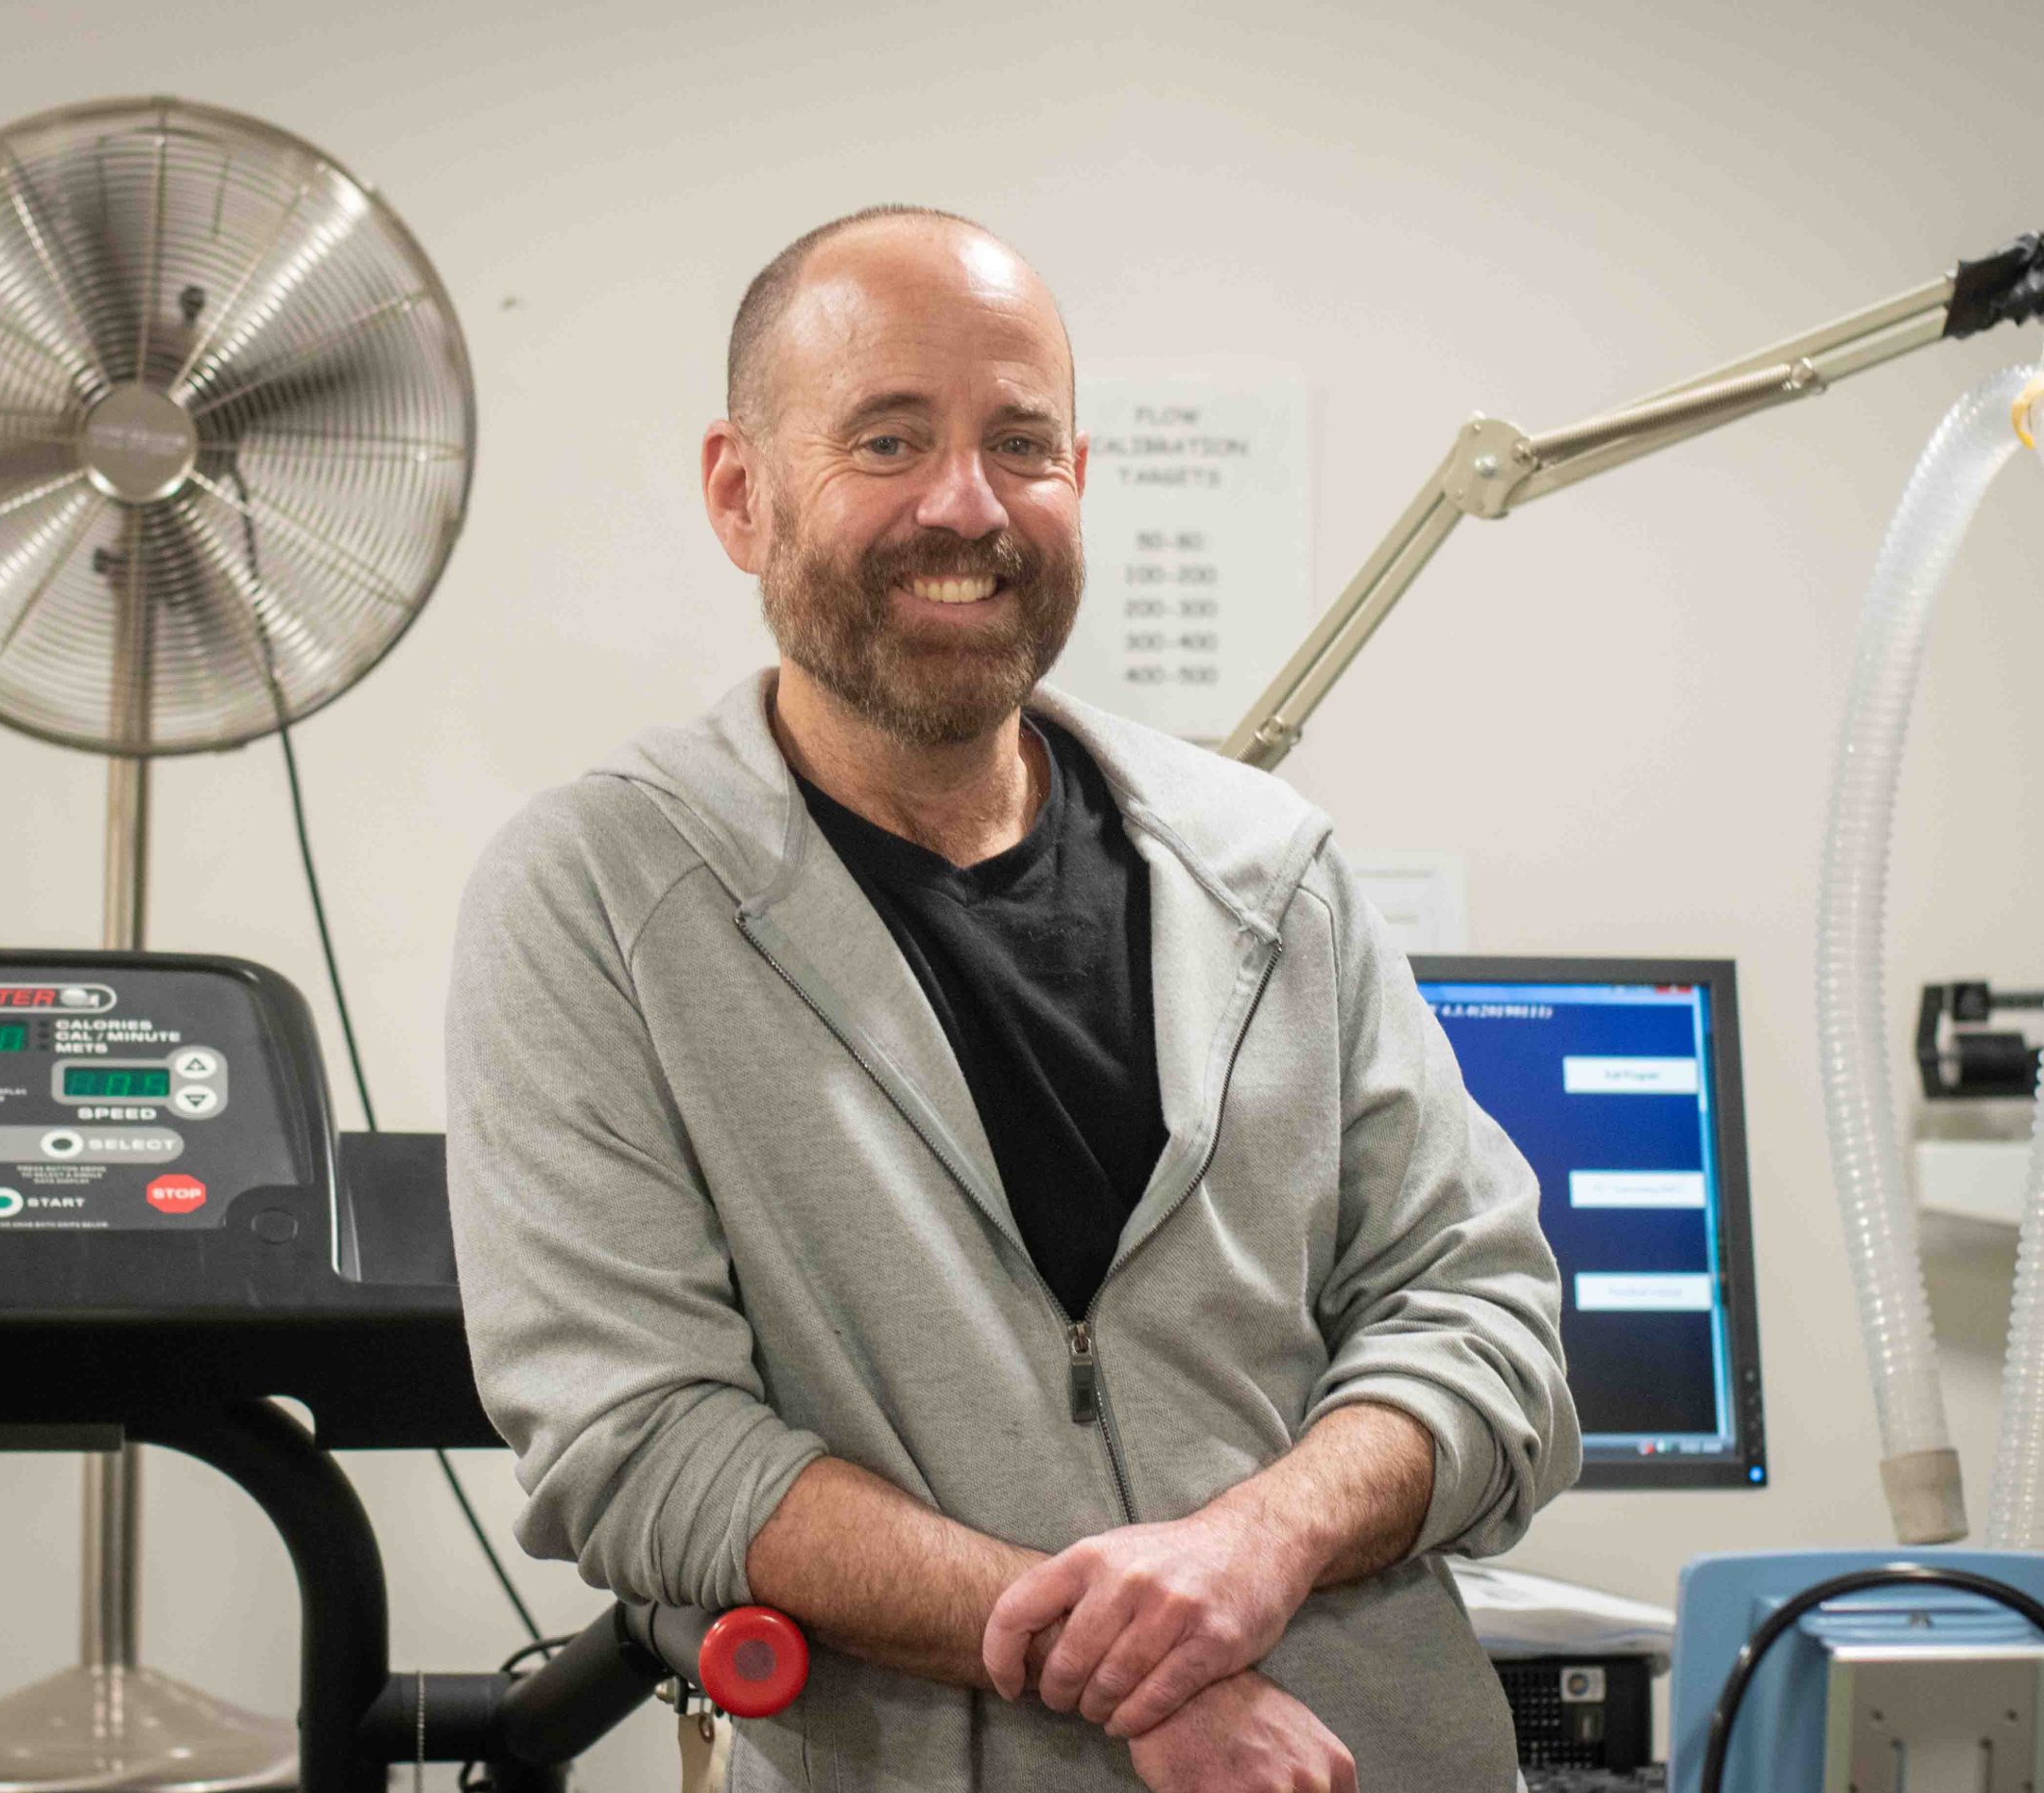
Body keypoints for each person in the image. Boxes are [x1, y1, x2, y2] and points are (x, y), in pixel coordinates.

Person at [445, 204, 1580, 1792]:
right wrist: (1133, 1674)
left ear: (1078, 482)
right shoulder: (603, 901)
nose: (965, 506)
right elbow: (636, 1441)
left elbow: (1486, 1323)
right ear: (741, 494)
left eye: (1021, 445)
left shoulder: (1270, 870)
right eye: (889, 440)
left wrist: (1251, 1550)